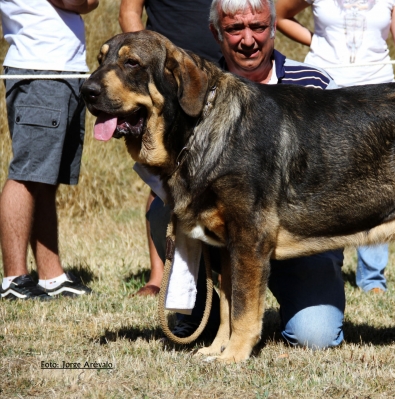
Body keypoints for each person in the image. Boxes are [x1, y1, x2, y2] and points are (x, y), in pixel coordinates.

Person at [144, 0, 346, 349]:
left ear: (273, 27)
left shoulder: (312, 83)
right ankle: (198, 306)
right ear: (216, 33)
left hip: (299, 236)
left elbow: (330, 175)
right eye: (235, 29)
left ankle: (269, 307)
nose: (248, 39)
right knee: (165, 205)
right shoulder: (191, 91)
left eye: (258, 27)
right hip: (217, 238)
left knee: (316, 337)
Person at [276, 0, 395, 293]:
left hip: (378, 95)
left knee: (377, 184)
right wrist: (316, 40)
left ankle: (372, 278)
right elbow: (279, 15)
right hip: (322, 93)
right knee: (320, 181)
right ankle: (322, 261)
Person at [119, 0, 222, 296]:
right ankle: (158, 275)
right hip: (164, 80)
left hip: (217, 74)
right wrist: (148, 64)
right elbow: (128, 11)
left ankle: (216, 273)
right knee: (162, 180)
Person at [0, 0, 97, 300]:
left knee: (44, 178)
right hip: (40, 68)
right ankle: (14, 279)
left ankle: (51, 276)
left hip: (59, 68)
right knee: (28, 174)